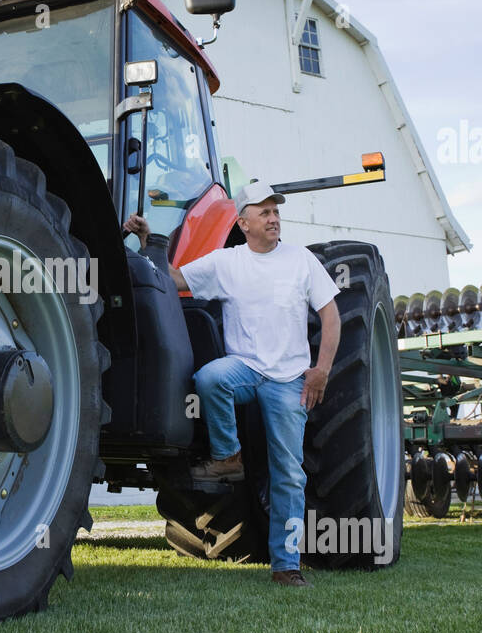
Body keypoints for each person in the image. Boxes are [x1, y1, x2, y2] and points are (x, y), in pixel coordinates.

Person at [123, 182, 341, 587]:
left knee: (289, 475)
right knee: (209, 378)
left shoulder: (301, 261)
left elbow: (331, 315)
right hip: (245, 367)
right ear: (243, 222)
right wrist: (146, 239)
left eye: (276, 211)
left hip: (289, 380)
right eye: (264, 212)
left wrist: (321, 368)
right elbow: (170, 278)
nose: (274, 218)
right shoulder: (227, 262)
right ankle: (229, 456)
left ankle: (286, 566)